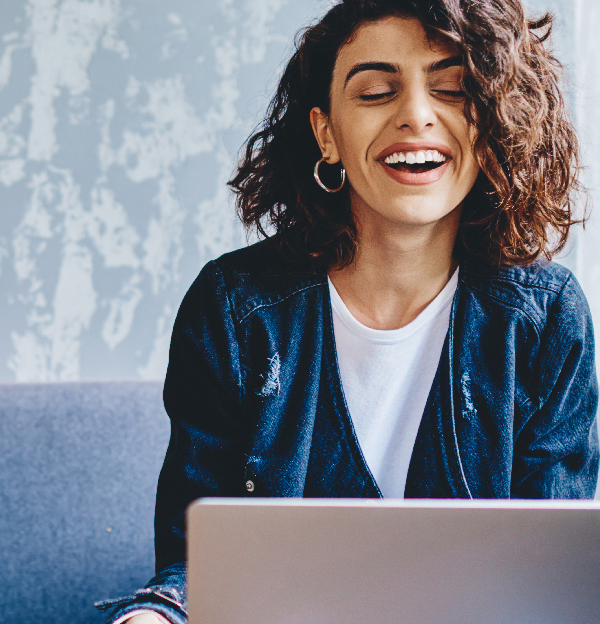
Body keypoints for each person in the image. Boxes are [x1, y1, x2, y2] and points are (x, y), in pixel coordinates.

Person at [96, 0, 599, 622]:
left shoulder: (547, 320)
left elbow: (554, 583)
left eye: (452, 88)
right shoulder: (232, 308)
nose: (416, 115)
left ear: (491, 122)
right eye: (377, 92)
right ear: (326, 133)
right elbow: (199, 565)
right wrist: (152, 615)